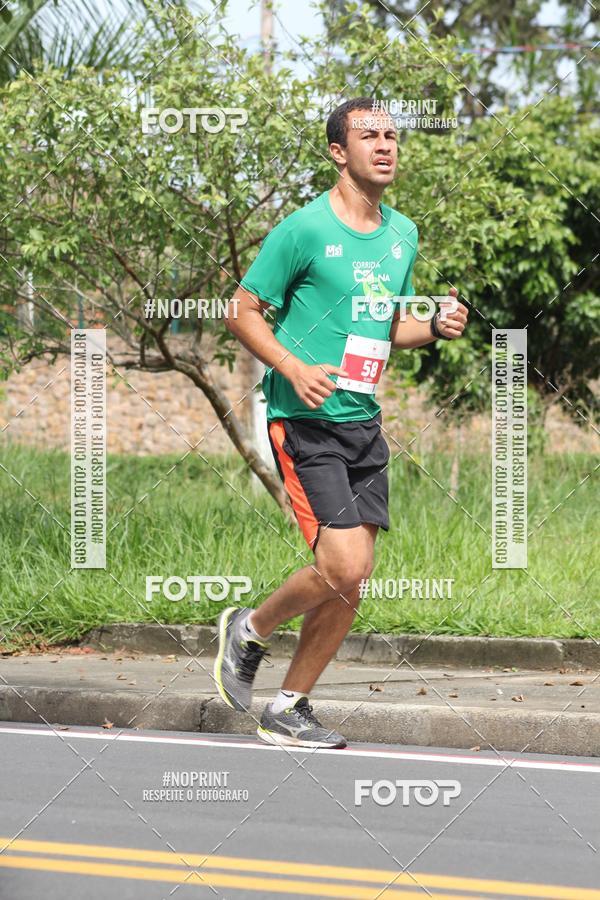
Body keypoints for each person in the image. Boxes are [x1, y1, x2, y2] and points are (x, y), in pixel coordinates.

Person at [214, 97, 468, 748]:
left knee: (352, 580)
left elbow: (382, 327)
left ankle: (288, 706)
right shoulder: (302, 230)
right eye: (369, 136)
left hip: (361, 420)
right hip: (305, 418)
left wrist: (433, 328)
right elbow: (241, 310)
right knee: (343, 564)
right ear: (338, 152)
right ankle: (248, 630)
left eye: (392, 135)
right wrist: (294, 367)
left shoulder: (401, 233)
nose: (386, 145)